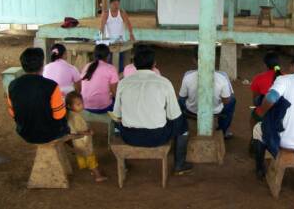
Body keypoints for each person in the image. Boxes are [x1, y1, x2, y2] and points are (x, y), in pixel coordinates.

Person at [111, 46, 192, 175]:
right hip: (158, 137)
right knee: (183, 125)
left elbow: (117, 114)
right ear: (154, 64)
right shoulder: (164, 83)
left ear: (134, 64)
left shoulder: (124, 83)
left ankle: (124, 163)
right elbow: (174, 115)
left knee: (116, 123)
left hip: (129, 136)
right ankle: (179, 165)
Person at [7, 48, 69, 144]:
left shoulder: (12, 85)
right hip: (50, 134)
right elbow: (59, 115)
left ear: (23, 66)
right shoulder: (52, 86)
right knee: (66, 111)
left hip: (25, 133)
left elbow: (12, 113)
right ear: (42, 65)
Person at [178, 47, 236, 139]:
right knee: (232, 100)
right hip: (215, 110)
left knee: (180, 100)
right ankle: (223, 130)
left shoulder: (187, 76)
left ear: (194, 60)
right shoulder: (222, 77)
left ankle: (182, 129)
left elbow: (182, 97)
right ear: (213, 59)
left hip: (192, 109)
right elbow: (226, 101)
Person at [65, 92, 107, 182]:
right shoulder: (76, 116)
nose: (82, 106)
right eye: (78, 104)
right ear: (69, 106)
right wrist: (88, 132)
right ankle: (97, 175)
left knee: (82, 154)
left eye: (82, 103)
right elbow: (78, 131)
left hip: (78, 142)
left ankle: (88, 167)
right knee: (90, 156)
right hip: (83, 140)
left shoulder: (72, 114)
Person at [81, 44, 119, 113]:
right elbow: (114, 92)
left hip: (84, 105)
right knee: (116, 100)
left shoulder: (87, 66)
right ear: (108, 56)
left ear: (94, 55)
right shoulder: (111, 68)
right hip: (102, 107)